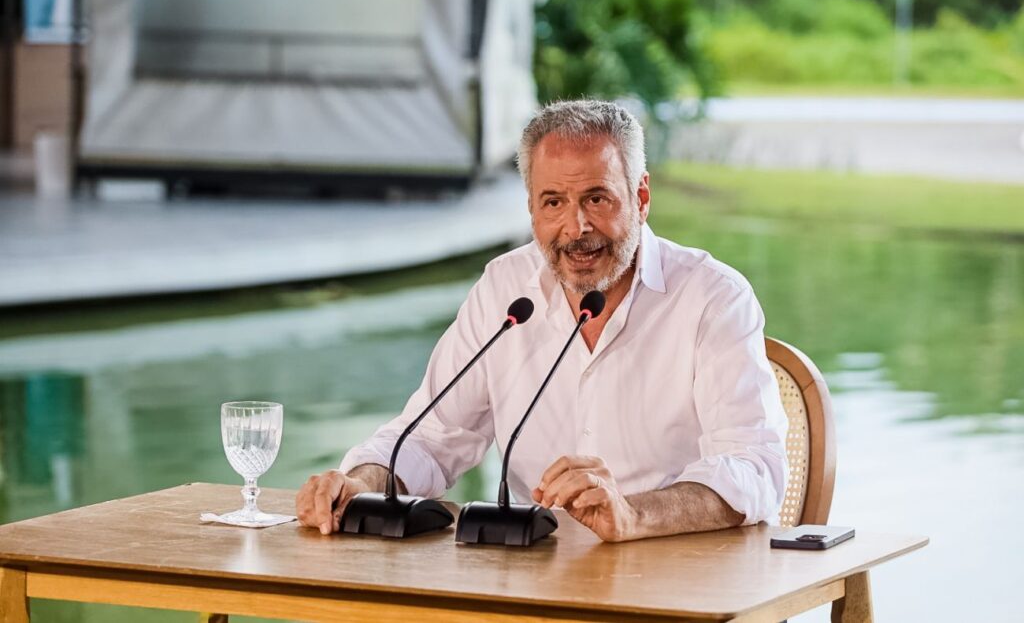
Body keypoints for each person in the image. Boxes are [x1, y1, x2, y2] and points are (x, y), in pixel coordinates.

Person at [296, 100, 788, 542]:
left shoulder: (713, 297)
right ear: (531, 207)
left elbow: (754, 468)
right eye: (554, 202)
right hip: (536, 579)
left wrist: (634, 514)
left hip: (679, 578)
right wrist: (360, 483)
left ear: (640, 198)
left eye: (597, 198)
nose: (576, 227)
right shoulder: (504, 290)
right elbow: (429, 437)